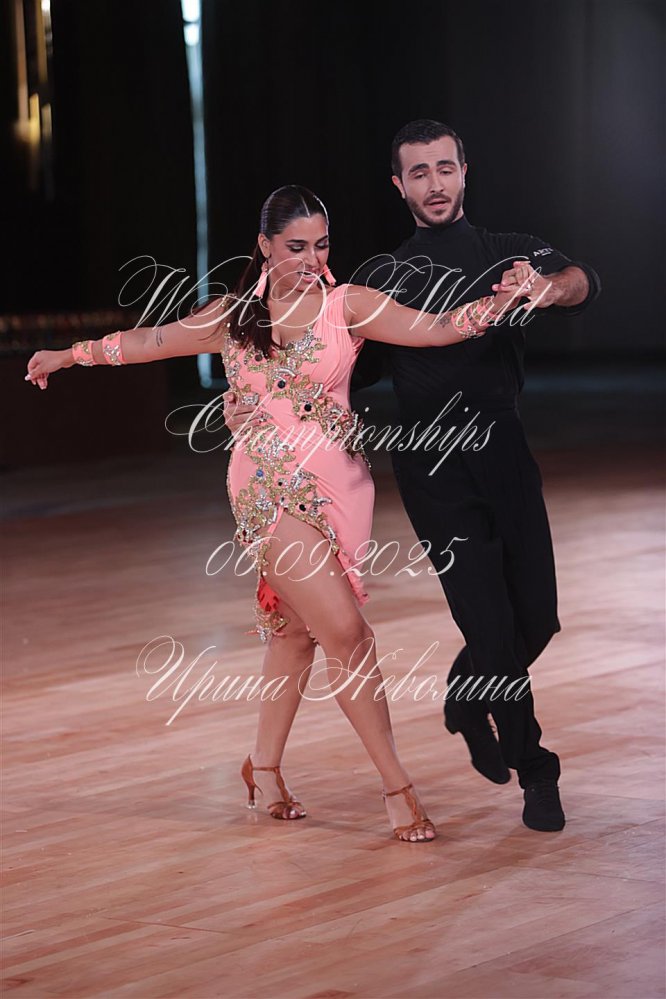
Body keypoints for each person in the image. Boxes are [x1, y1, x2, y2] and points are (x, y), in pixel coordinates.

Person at [24, 183, 521, 843]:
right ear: (264, 245)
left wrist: (499, 302)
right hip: (265, 485)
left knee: (293, 633)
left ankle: (262, 769)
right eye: (296, 247)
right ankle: (397, 787)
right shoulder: (232, 317)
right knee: (347, 632)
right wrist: (70, 354)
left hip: (341, 485)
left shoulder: (349, 305)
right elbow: (149, 341)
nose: (311, 259)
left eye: (321, 245)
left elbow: (435, 329)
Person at [225, 126, 602, 834]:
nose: (434, 183)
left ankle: (467, 693)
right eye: (418, 173)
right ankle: (535, 769)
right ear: (399, 186)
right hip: (432, 466)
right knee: (489, 623)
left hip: (504, 450)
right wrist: (248, 396)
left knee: (538, 615)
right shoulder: (382, 276)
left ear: (464, 172)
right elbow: (325, 362)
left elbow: (583, 282)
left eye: (444, 168)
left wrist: (544, 289)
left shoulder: (509, 251)